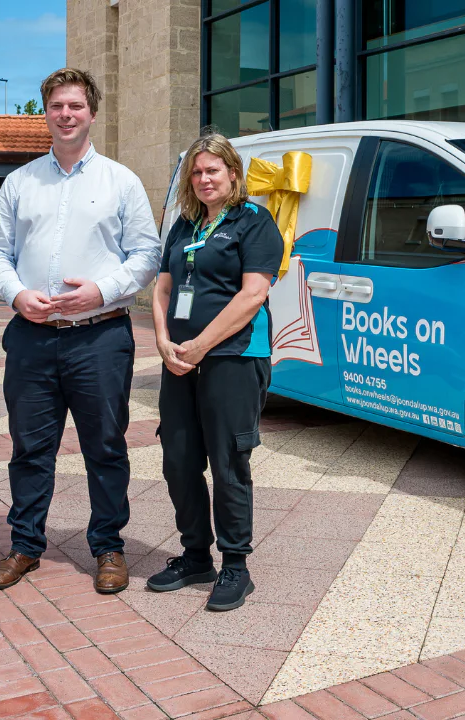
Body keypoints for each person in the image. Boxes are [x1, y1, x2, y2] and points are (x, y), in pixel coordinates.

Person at [0, 68, 161, 595]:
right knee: (30, 447)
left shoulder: (120, 181)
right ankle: (24, 545)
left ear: (92, 114)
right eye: (56, 106)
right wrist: (17, 294)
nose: (65, 114)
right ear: (46, 114)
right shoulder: (20, 182)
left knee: (105, 446)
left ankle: (108, 547)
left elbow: (146, 254)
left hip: (99, 337)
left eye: (75, 106)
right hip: (32, 337)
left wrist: (101, 292)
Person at [147, 131, 283, 611]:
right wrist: (164, 342)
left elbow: (253, 295)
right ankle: (194, 555)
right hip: (180, 360)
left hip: (232, 358)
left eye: (213, 171)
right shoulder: (183, 227)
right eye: (197, 172)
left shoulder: (254, 221)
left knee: (228, 463)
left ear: (232, 174)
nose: (204, 179)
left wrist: (201, 345)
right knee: (179, 458)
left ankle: (236, 567)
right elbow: (162, 291)